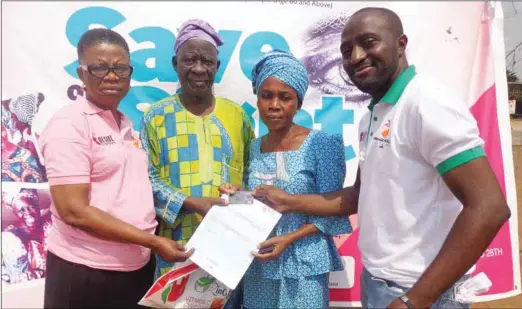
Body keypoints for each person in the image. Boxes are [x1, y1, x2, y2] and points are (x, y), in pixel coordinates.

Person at [252, 7, 511, 309]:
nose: (357, 56)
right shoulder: (375, 115)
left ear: (401, 44)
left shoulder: (426, 103)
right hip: (378, 284)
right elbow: (358, 197)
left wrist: (414, 300)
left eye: (369, 42)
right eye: (347, 50)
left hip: (422, 292)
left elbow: (489, 207)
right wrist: (287, 201)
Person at [39, 28, 191, 309]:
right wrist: (153, 241)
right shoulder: (69, 124)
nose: (111, 76)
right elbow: (74, 211)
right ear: (81, 73)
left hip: (135, 268)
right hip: (87, 270)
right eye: (99, 68)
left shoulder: (124, 123)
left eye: (120, 68)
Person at [220, 50, 351, 309]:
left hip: (305, 264)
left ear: (299, 103)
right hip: (261, 262)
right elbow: (257, 204)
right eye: (266, 96)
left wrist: (289, 239)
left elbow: (334, 208)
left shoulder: (322, 144)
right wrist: (236, 195)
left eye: (285, 97)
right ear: (257, 100)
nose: (275, 105)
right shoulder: (254, 148)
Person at [140, 19, 255, 307]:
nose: (199, 68)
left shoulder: (237, 116)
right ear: (175, 63)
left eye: (207, 61)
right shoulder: (156, 116)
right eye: (190, 60)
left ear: (218, 66)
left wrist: (237, 197)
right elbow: (144, 181)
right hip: (176, 247)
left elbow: (252, 178)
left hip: (227, 251)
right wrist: (191, 202)